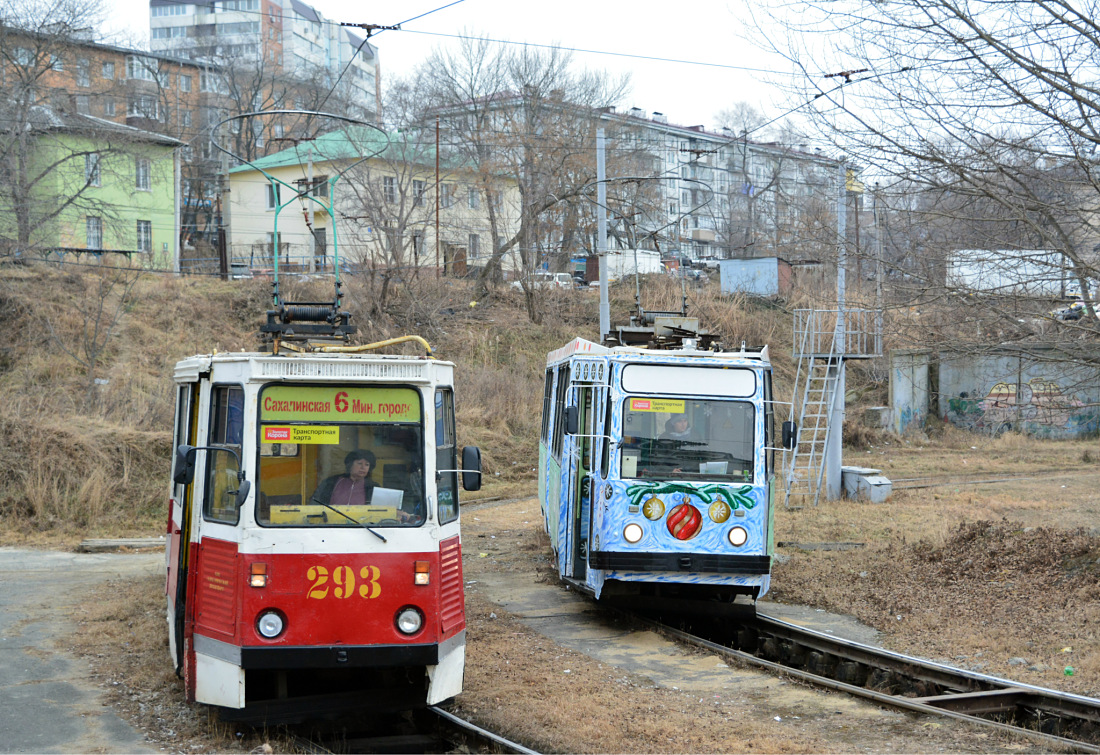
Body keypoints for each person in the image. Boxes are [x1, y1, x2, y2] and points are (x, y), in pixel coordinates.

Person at [310, 450, 377, 507]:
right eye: (359, 463)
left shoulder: (373, 487)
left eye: (367, 465)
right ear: (350, 464)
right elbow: (315, 503)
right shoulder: (331, 482)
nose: (363, 467)